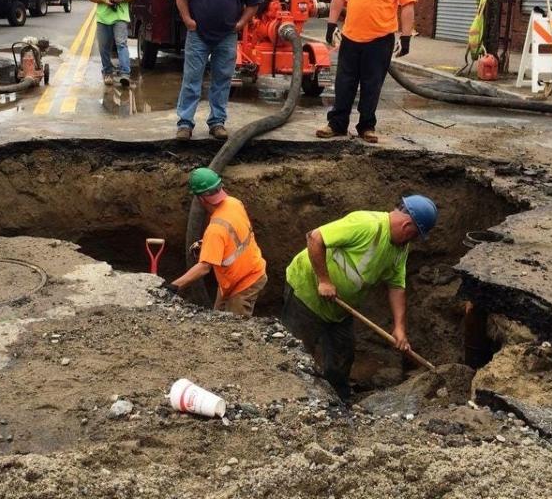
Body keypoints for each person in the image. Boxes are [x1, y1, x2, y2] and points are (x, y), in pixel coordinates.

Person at [281, 195, 437, 399]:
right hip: (306, 294)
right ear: (407, 226)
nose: (413, 241)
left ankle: (339, 401)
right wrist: (324, 280)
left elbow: (396, 285)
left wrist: (399, 328)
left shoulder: (400, 248)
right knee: (296, 352)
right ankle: (292, 398)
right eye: (415, 235)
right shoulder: (366, 224)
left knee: (342, 355)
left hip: (340, 308)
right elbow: (315, 237)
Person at [317, 0, 417, 144]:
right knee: (344, 82)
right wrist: (331, 25)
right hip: (351, 36)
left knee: (372, 84)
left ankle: (366, 126)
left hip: (381, 39)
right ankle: (337, 124)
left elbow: (407, 6)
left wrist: (406, 36)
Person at [174, 0, 259, 141]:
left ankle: (217, 122)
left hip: (226, 36)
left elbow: (253, 4)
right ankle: (185, 123)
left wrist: (240, 23)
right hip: (198, 34)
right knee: (192, 79)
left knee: (222, 79)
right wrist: (187, 20)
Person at [166, 168, 267, 316]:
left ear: (200, 199)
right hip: (239, 275)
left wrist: (174, 286)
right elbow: (235, 234)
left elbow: (204, 268)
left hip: (246, 281)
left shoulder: (215, 229)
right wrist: (207, 243)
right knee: (217, 321)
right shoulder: (234, 203)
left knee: (234, 329)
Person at [85, 0, 136, 86]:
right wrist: (103, 0)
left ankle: (125, 73)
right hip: (103, 17)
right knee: (103, 47)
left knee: (121, 44)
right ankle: (107, 72)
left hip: (120, 16)